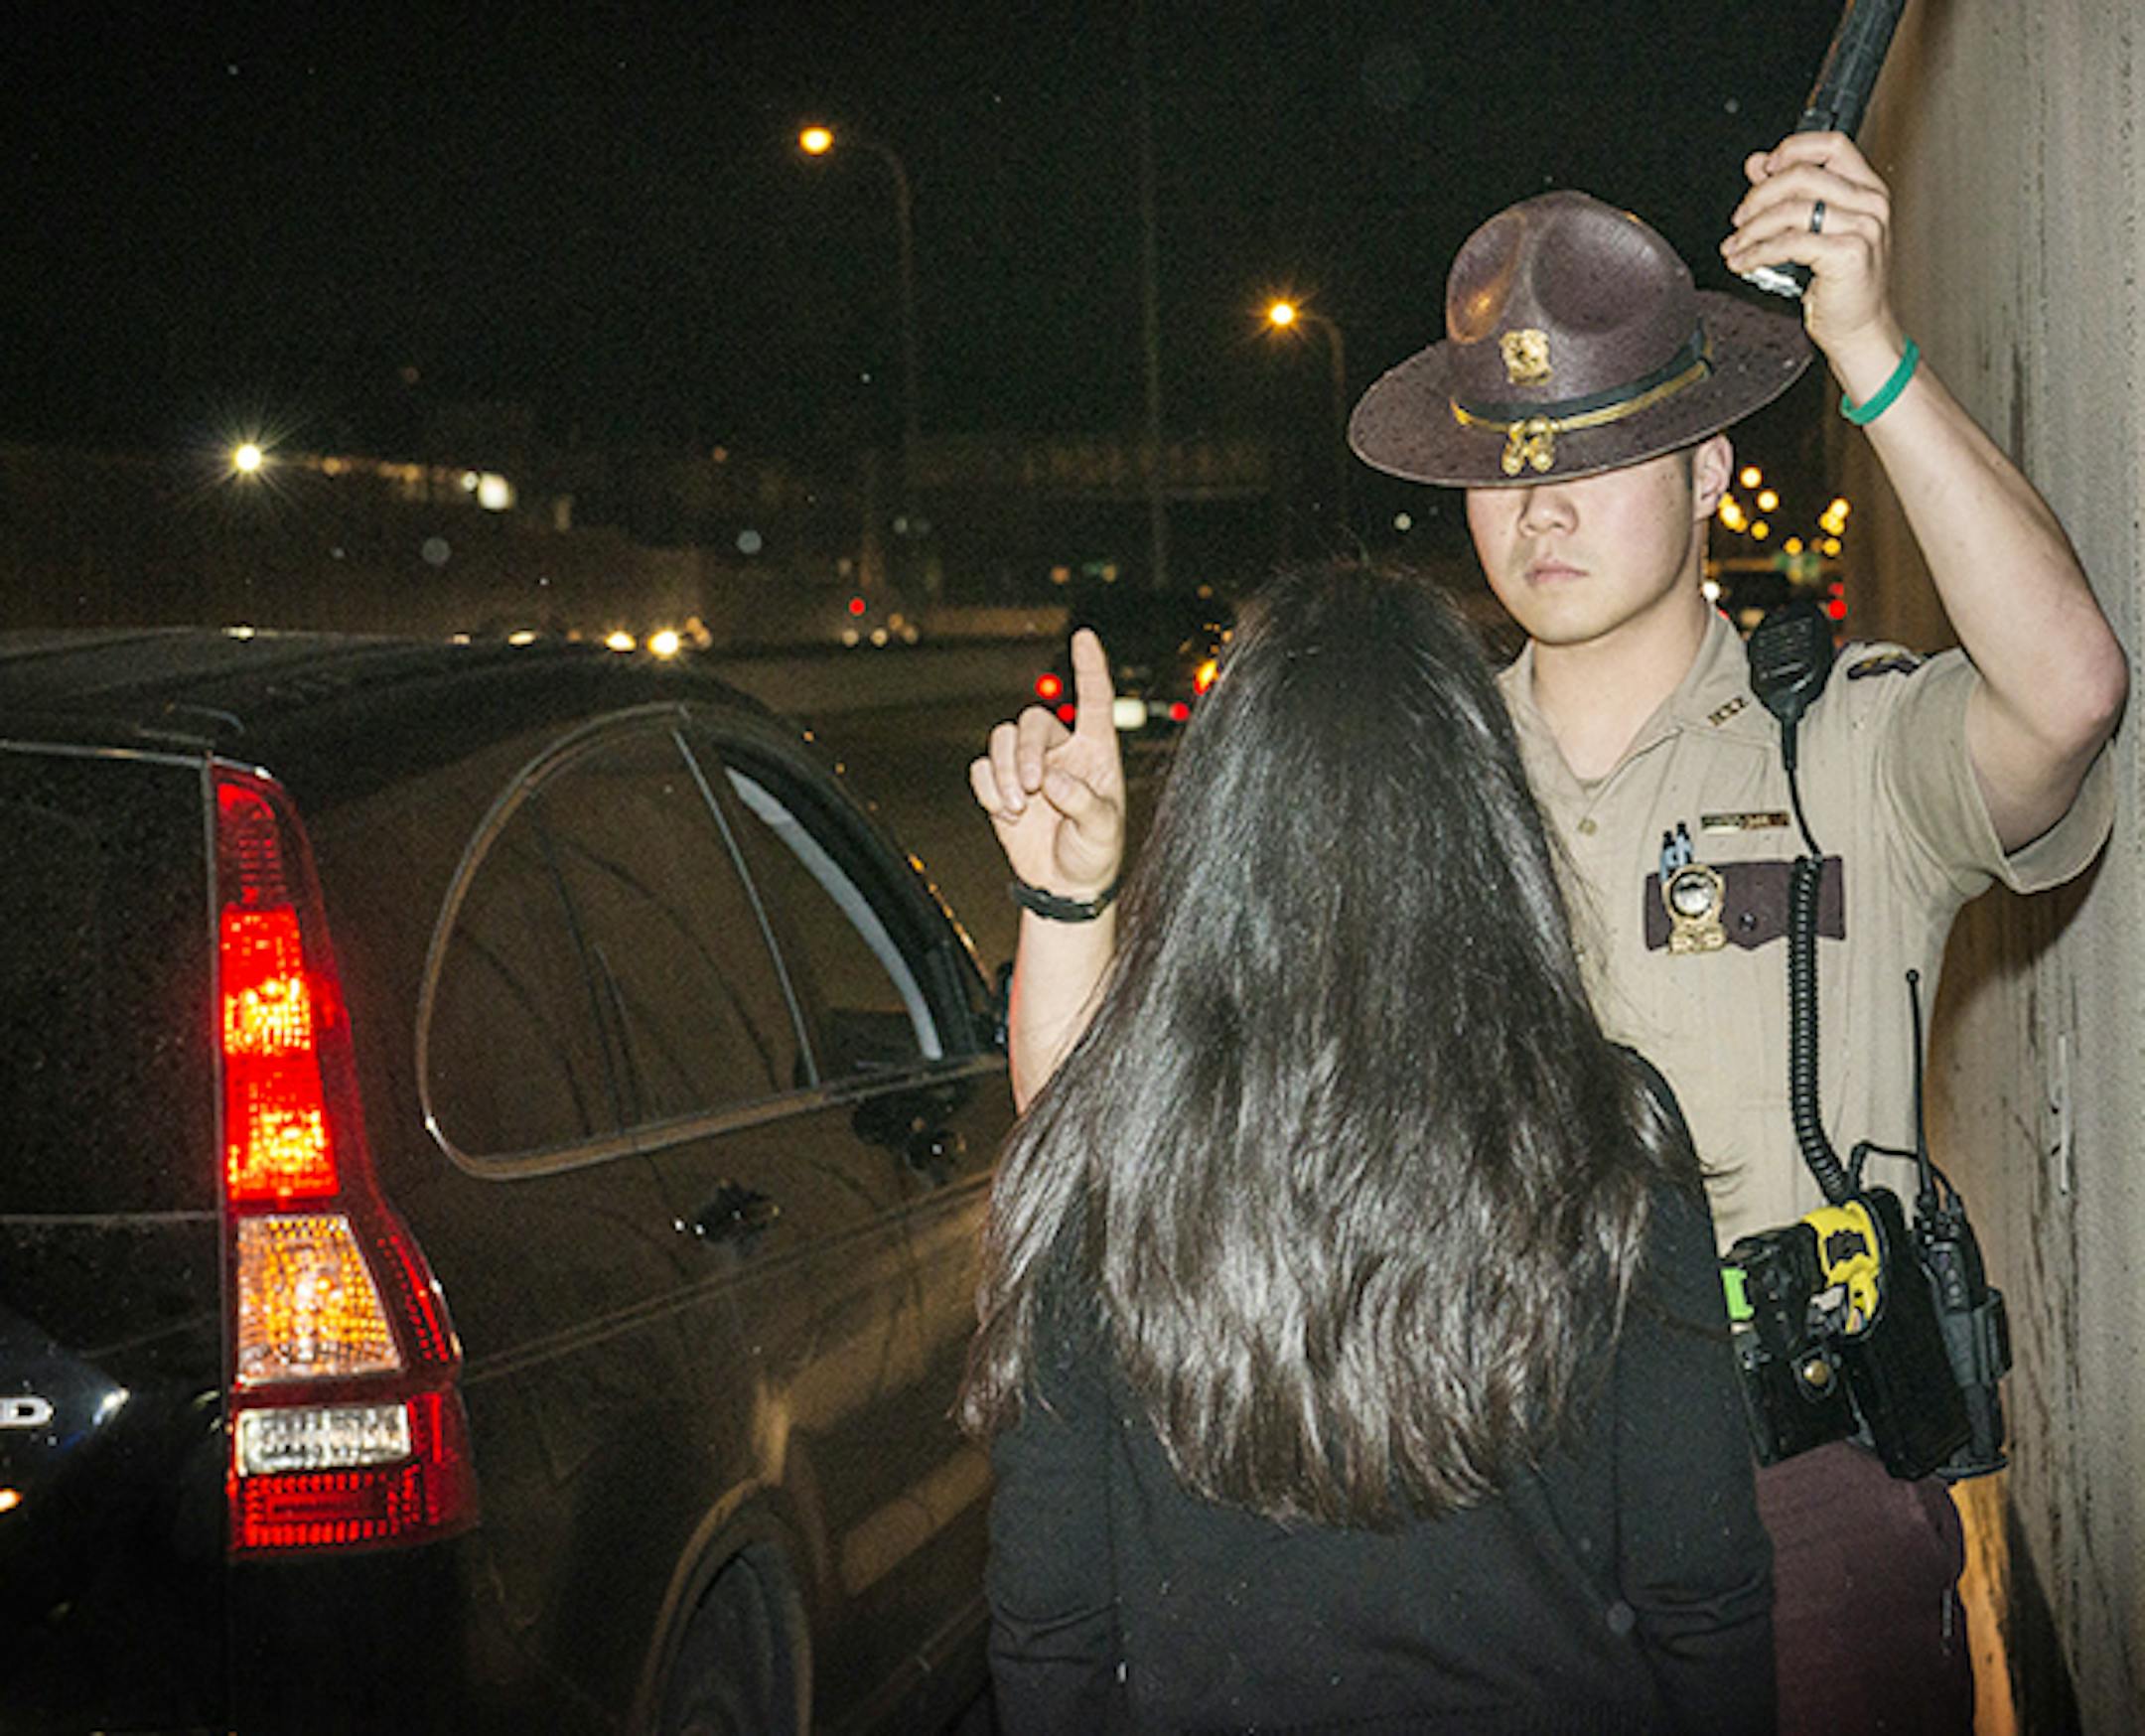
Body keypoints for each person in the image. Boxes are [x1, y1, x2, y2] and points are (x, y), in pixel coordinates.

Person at [971, 133, 2125, 1733]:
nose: (1540, 511)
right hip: (1481, 1505)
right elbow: (1112, 1155)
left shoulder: (1839, 747)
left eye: (1593, 456)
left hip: (1798, 1500)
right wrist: (1074, 893)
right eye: (1507, 464)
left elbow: (2069, 694)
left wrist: (1869, 354)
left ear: (1710, 465)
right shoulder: (1405, 772)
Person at [961, 562, 1774, 1732]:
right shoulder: (1606, 1134)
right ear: (1488, 826)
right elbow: (1703, 1598)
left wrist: (1066, 904)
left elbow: (1051, 1630)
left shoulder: (1102, 1160)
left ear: (1219, 831)